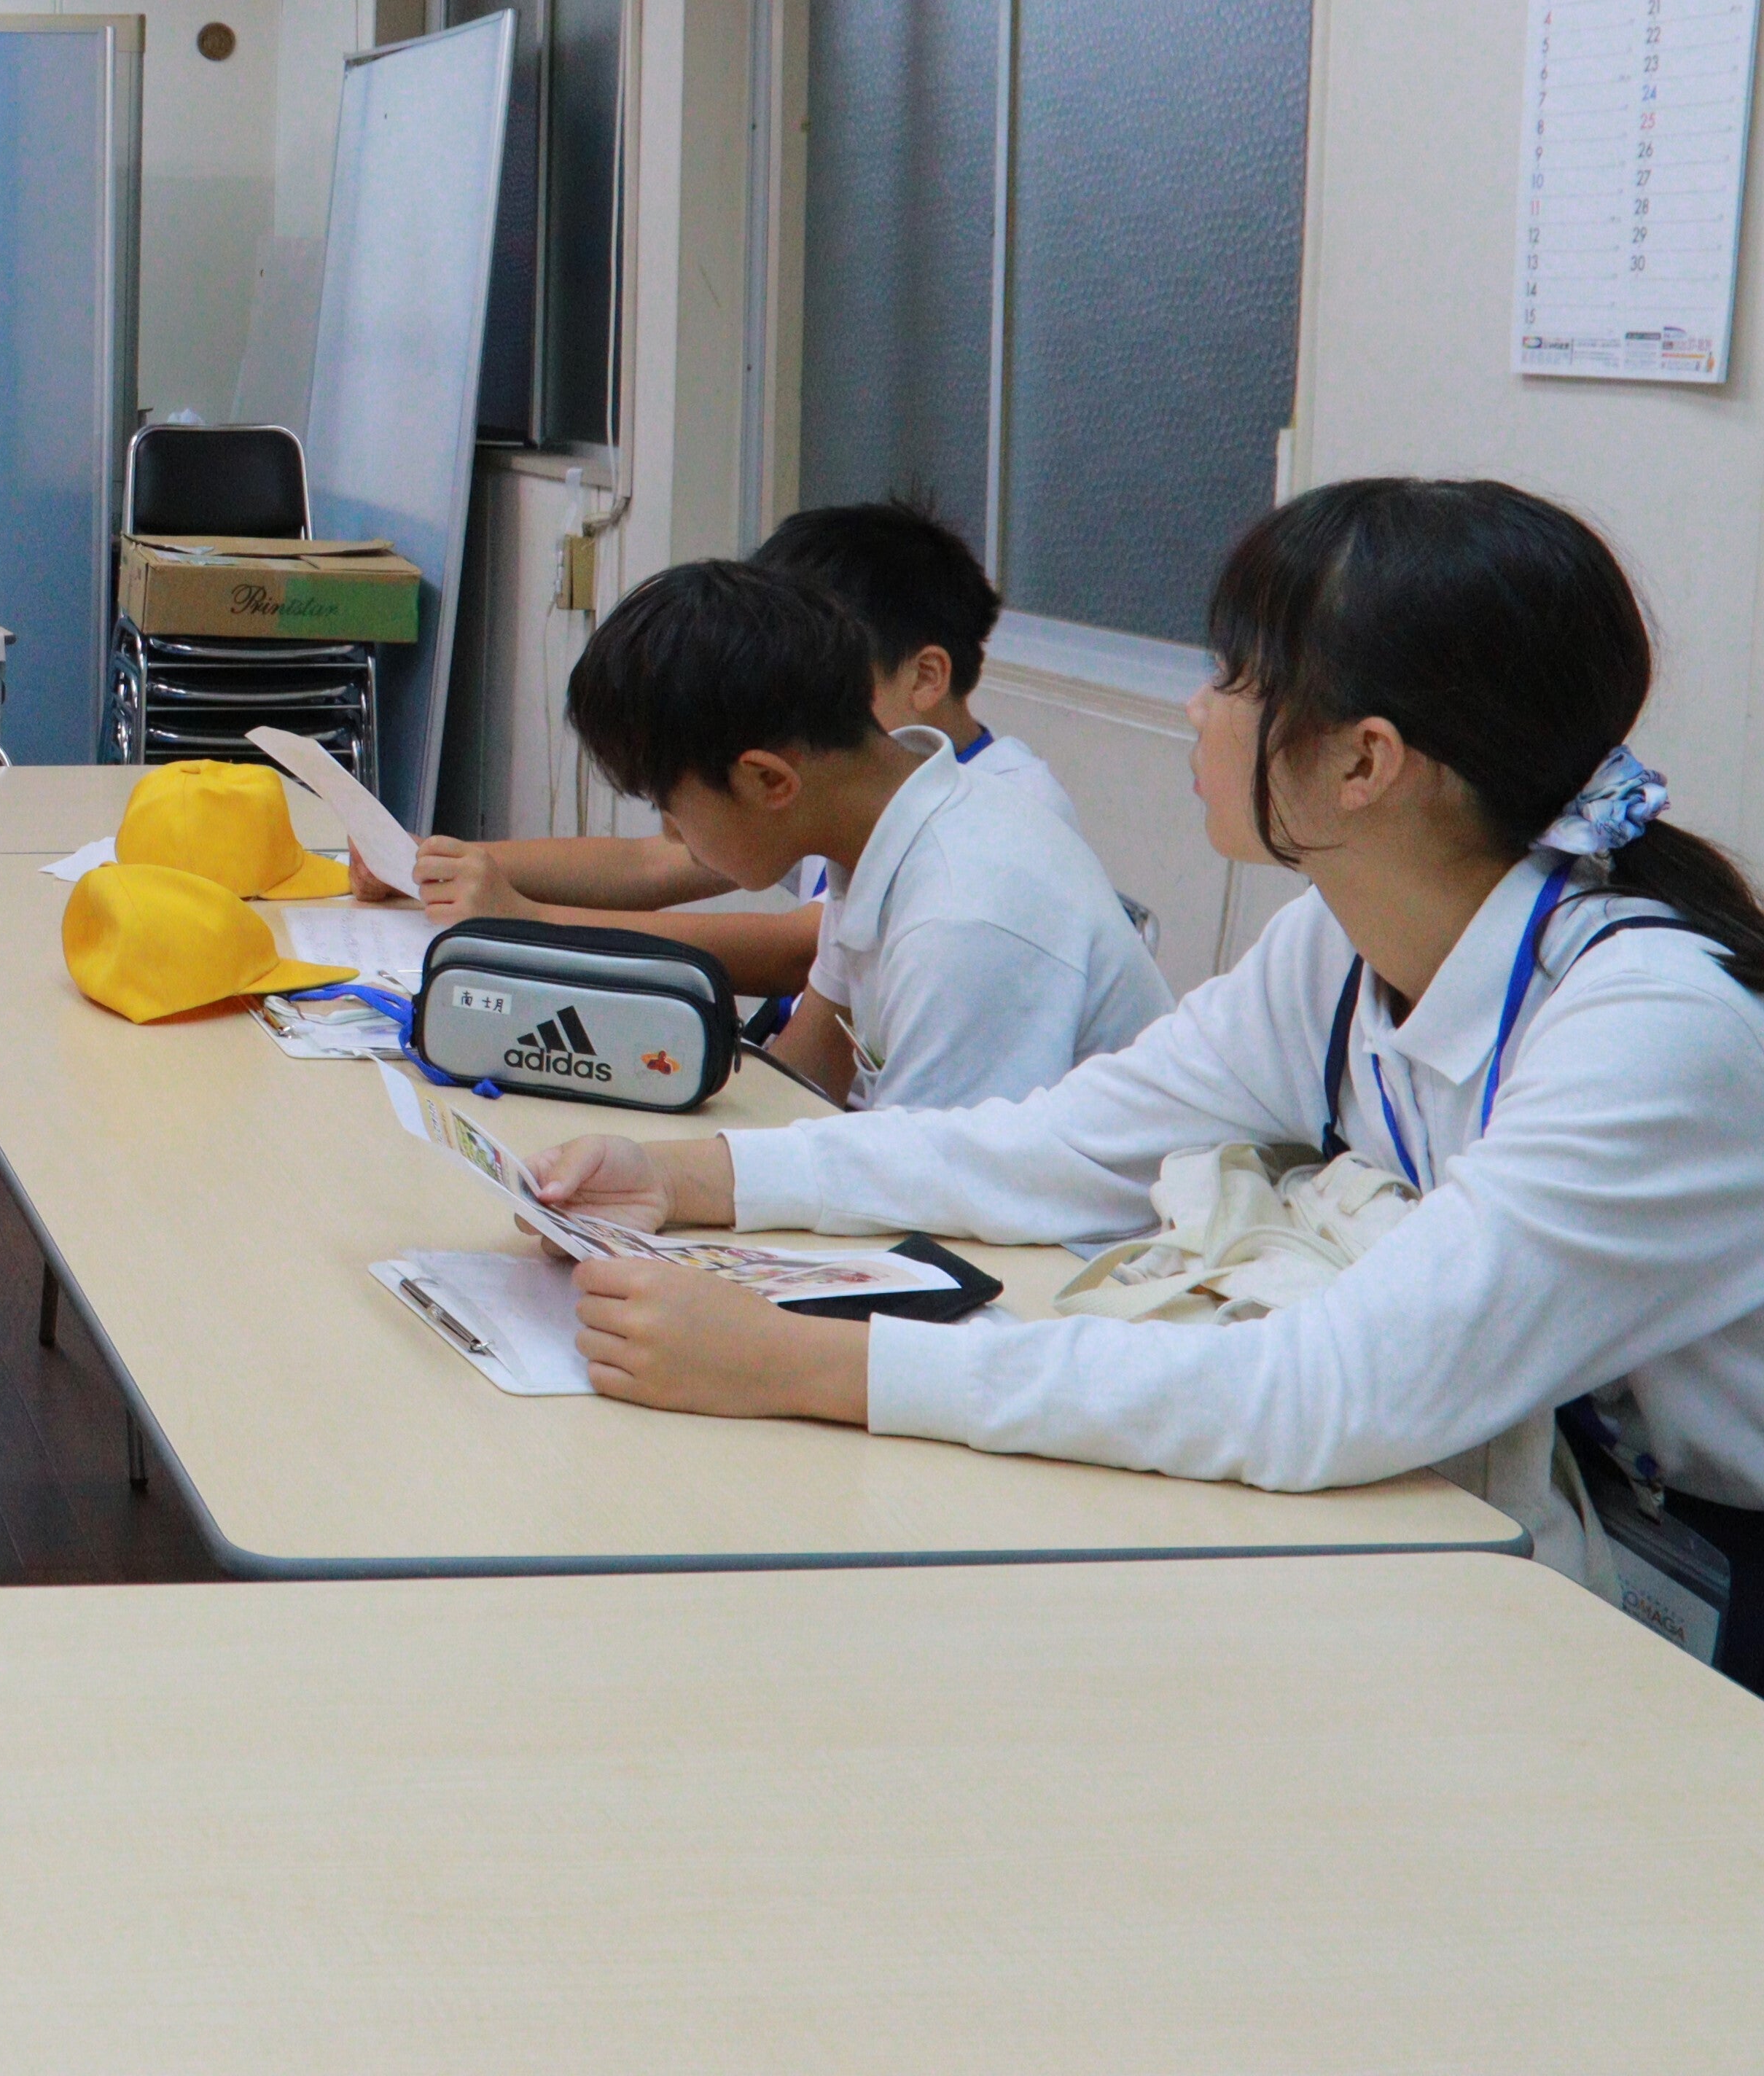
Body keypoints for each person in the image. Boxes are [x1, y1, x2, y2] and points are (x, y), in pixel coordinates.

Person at [536, 480, 1764, 1688]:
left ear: (1365, 763)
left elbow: (1329, 1391)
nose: (1196, 706)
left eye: (1235, 678)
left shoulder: (1650, 1030)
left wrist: (806, 1366)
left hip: (1714, 1569)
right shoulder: (1336, 946)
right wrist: (688, 1178)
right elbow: (1061, 1146)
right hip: (1550, 1502)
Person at [370, 496, 1077, 994]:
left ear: (925, 676)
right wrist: (435, 863)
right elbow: (659, 860)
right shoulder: (854, 789)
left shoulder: (994, 813)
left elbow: (794, 952)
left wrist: (530, 924)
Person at [558, 558, 1164, 1110]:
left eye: (667, 803)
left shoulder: (961, 915)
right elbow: (802, 1082)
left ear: (768, 779)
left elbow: (928, 1183)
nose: (671, 832)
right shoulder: (879, 833)